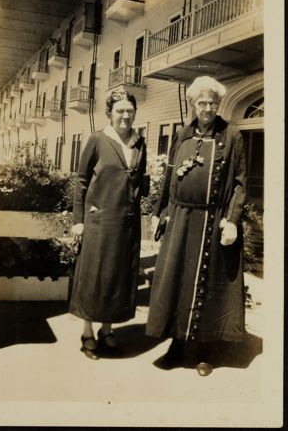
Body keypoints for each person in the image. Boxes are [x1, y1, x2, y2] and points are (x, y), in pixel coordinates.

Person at [146, 76, 246, 376]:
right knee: (177, 282)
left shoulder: (232, 135)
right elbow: (169, 176)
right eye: (202, 102)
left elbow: (240, 182)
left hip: (213, 221)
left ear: (218, 105)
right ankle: (176, 347)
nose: (207, 108)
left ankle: (205, 351)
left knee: (207, 285)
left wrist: (232, 219)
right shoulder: (181, 134)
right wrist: (159, 212)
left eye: (212, 103)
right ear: (193, 104)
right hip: (180, 219)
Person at [69, 90, 148, 359]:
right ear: (110, 114)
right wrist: (78, 220)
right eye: (120, 111)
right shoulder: (97, 139)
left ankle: (107, 329)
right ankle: (87, 332)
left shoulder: (140, 143)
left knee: (116, 275)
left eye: (129, 110)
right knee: (95, 276)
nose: (125, 115)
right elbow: (80, 181)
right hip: (100, 221)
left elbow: (138, 182)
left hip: (126, 222)